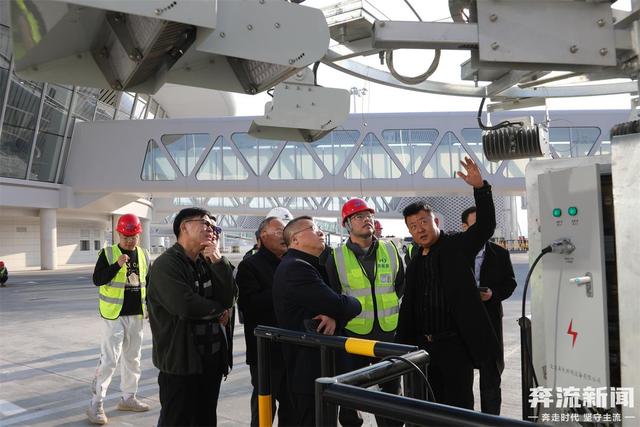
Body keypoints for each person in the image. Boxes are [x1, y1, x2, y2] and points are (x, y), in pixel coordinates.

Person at [396, 156, 500, 410]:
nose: (419, 229)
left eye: (423, 222)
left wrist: (480, 188)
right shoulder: (415, 261)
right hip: (422, 349)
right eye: (413, 226)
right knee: (428, 408)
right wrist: (401, 345)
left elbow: (485, 226)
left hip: (455, 347)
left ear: (435, 221)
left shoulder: (457, 246)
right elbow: (409, 304)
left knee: (458, 407)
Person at [147, 207, 237, 426]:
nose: (212, 229)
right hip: (181, 362)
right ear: (184, 227)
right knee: (177, 420)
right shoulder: (167, 264)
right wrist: (218, 310)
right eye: (205, 223)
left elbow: (230, 297)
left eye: (214, 227)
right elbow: (185, 305)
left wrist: (218, 261)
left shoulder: (208, 261)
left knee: (206, 419)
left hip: (211, 360)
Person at [273, 216, 362, 426]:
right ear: (295, 240)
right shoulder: (296, 268)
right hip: (309, 370)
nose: (321, 232)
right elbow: (340, 304)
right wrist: (353, 304)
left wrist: (334, 317)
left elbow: (331, 307)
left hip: (316, 367)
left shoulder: (305, 264)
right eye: (313, 228)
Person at [325, 199, 404, 427]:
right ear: (347, 224)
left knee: (391, 392)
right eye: (359, 216)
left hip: (387, 333)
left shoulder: (390, 249)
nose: (366, 220)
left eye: (368, 215)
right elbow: (333, 293)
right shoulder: (336, 257)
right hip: (353, 334)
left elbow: (400, 285)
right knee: (350, 394)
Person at [87, 213, 151, 425]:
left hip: (136, 315)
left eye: (133, 237)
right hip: (114, 315)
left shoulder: (144, 255)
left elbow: (149, 284)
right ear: (118, 234)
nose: (130, 241)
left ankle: (128, 398)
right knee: (110, 359)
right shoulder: (108, 253)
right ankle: (96, 403)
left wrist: (150, 309)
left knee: (133, 358)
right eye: (126, 237)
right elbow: (97, 279)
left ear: (139, 234)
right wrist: (116, 265)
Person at [236, 216, 295, 426]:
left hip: (293, 348)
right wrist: (284, 290)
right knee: (264, 410)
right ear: (263, 235)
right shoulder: (249, 265)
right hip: (266, 352)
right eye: (279, 232)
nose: (284, 236)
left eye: (286, 232)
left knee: (292, 409)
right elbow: (249, 305)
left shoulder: (293, 262)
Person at [461, 206, 517, 415]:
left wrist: (493, 294)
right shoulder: (455, 252)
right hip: (460, 323)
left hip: (490, 321)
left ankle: (491, 420)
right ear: (464, 227)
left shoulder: (500, 253)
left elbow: (510, 283)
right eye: (477, 224)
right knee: (460, 381)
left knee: (491, 379)